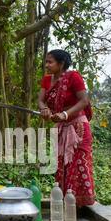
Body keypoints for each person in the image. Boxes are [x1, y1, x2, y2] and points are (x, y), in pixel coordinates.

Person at [38, 49, 95, 206]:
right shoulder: (46, 80)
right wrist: (45, 109)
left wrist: (64, 114)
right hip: (61, 129)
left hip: (78, 129)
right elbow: (41, 101)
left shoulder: (73, 77)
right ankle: (66, 202)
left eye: (50, 62)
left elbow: (84, 100)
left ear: (61, 64)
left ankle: (80, 204)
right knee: (62, 164)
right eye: (46, 61)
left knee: (78, 164)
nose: (47, 65)